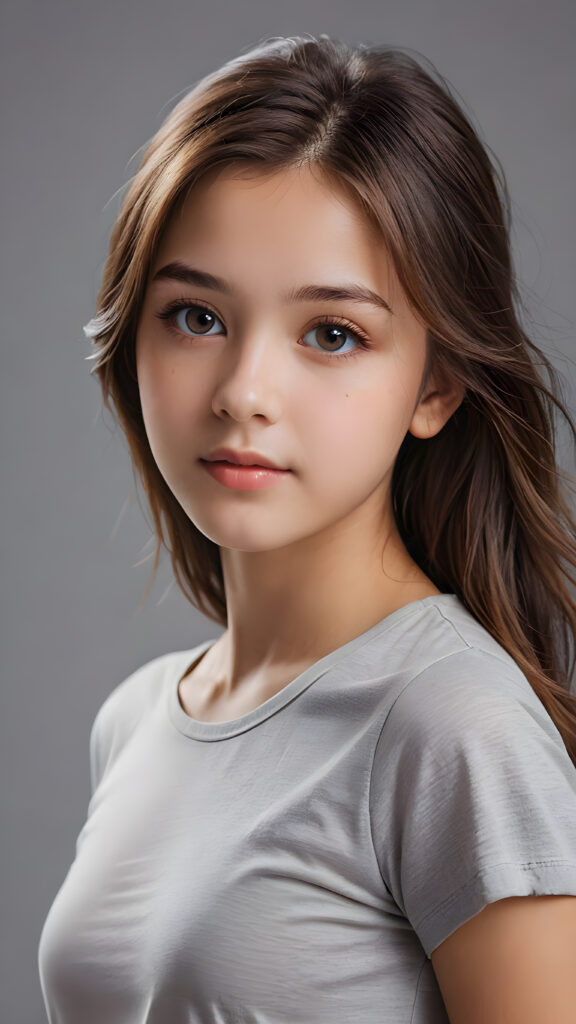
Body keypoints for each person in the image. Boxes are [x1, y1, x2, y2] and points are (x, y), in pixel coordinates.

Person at [38, 33, 576, 1024]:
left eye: (332, 333)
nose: (244, 392)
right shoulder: (136, 721)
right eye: (196, 315)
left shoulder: (455, 729)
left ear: (438, 382)